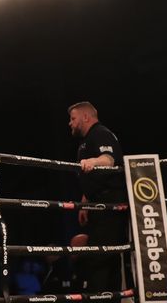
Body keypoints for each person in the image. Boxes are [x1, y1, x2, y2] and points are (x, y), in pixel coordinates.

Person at [67, 101, 127, 291]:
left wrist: (93, 161)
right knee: (104, 256)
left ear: (86, 117)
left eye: (73, 118)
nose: (70, 123)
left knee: (100, 258)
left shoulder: (100, 133)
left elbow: (108, 160)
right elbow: (93, 179)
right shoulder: (87, 140)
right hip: (97, 203)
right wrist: (85, 203)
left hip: (109, 204)